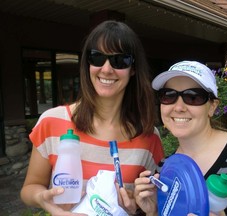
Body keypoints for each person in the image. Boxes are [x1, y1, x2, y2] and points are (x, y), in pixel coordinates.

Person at [20, 20, 164, 215]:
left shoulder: (149, 136)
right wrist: (42, 199)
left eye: (119, 60)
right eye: (97, 57)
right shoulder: (51, 122)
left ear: (133, 69)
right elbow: (30, 188)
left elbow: (152, 201)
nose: (106, 69)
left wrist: (137, 204)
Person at [134, 60, 227, 216]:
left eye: (193, 97)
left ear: (212, 107)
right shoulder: (164, 169)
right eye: (168, 95)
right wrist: (153, 212)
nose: (179, 107)